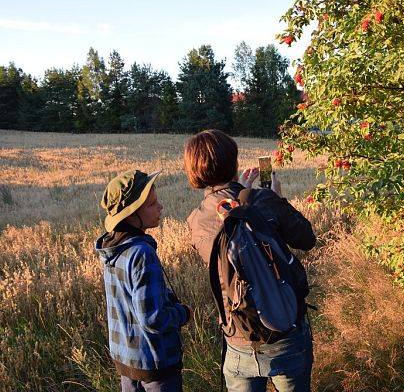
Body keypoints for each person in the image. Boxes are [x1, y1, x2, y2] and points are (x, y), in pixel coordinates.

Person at [184, 130, 316, 392]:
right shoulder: (263, 200)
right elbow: (307, 239)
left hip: (238, 336)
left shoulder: (197, 220)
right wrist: (275, 199)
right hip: (285, 332)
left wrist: (240, 196)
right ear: (233, 163)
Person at [95, 170, 191, 392]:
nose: (160, 207)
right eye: (152, 204)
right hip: (155, 365)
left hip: (127, 362)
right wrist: (183, 313)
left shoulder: (112, 249)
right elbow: (153, 318)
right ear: (131, 215)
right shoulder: (142, 253)